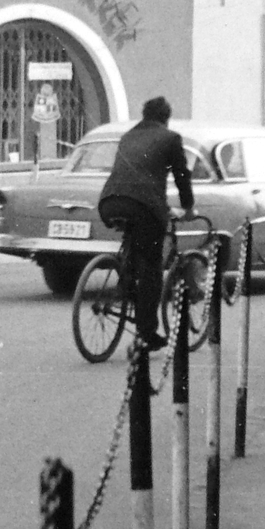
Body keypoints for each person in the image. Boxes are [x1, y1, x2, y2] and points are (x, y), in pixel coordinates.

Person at [98, 97, 194, 352]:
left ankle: (127, 285)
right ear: (166, 117)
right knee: (152, 265)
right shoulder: (170, 138)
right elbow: (181, 175)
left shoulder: (128, 136)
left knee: (135, 249)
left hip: (109, 202)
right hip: (143, 205)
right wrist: (188, 207)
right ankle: (147, 332)